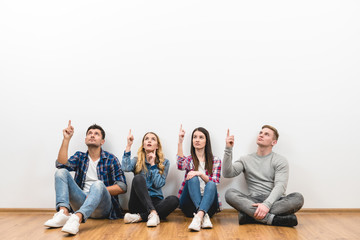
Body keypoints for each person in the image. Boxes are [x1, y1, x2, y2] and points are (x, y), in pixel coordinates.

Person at [44, 121, 127, 235]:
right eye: (90, 133)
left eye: (96, 134)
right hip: (81, 202)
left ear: (102, 141)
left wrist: (95, 192)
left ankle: (76, 218)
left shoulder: (111, 159)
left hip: (102, 208)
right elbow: (60, 164)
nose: (92, 135)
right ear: (85, 139)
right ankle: (63, 213)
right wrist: (66, 139)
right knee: (61, 172)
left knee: (97, 184)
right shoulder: (80, 157)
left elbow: (122, 187)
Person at [223, 125, 304, 227]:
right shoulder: (245, 159)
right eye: (260, 133)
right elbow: (227, 173)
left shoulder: (280, 160)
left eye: (266, 134)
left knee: (298, 198)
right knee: (230, 194)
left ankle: (249, 216)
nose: (261, 135)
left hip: (274, 200)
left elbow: (280, 186)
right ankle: (272, 219)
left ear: (273, 142)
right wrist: (228, 149)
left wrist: (266, 205)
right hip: (253, 201)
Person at [121, 130, 179, 227]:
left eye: (153, 139)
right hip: (138, 203)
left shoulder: (165, 162)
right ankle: (153, 213)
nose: (149, 141)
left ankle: (139, 217)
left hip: (156, 202)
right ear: (143, 145)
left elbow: (158, 184)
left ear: (157, 146)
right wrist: (128, 145)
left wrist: (153, 165)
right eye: (146, 139)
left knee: (174, 200)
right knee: (138, 178)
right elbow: (125, 168)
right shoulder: (137, 160)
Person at [177, 125, 221, 231]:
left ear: (206, 141)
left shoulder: (215, 160)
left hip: (209, 205)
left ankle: (199, 216)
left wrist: (200, 173)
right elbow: (180, 165)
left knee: (211, 183)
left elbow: (215, 182)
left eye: (201, 137)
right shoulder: (189, 159)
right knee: (192, 178)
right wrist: (180, 141)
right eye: (195, 137)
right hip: (189, 205)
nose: (197, 140)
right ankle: (202, 215)